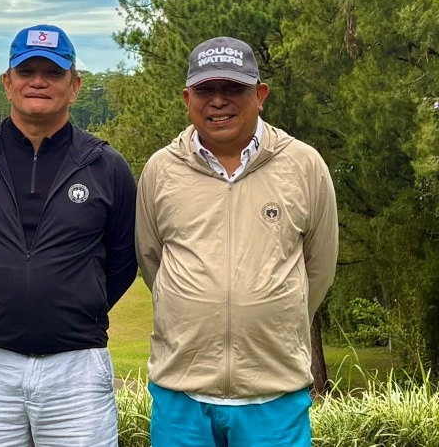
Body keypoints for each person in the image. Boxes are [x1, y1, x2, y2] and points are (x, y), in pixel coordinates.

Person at [0, 24, 137, 446]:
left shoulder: (106, 166)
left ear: (75, 85)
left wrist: (78, 304)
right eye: (27, 71)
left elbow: (122, 261)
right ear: (8, 82)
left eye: (53, 72)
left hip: (76, 367)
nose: (38, 81)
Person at [136, 37, 339, 447]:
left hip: (273, 395)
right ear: (187, 97)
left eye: (234, 88)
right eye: (206, 90)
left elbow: (318, 267)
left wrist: (273, 315)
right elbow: (150, 260)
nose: (218, 101)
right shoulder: (161, 169)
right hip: (182, 394)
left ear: (260, 95)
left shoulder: (304, 165)